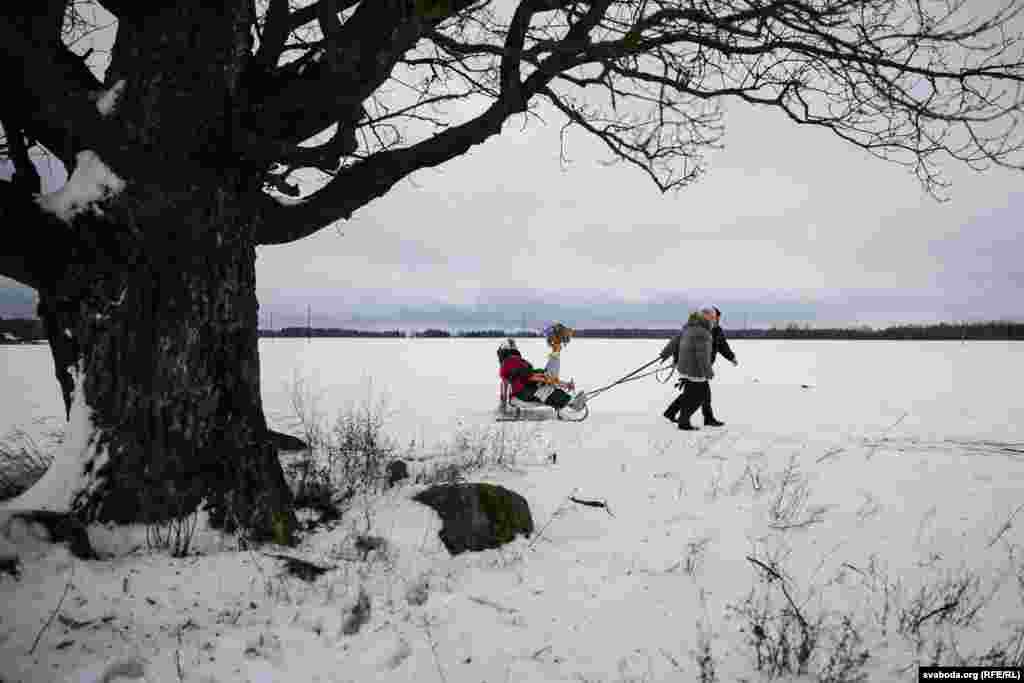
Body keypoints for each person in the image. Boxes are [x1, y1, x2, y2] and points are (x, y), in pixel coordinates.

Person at [660, 306, 738, 427]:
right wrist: (707, 371)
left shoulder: (696, 327)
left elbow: (723, 346)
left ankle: (673, 413)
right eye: (714, 317)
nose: (716, 320)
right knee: (700, 395)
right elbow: (699, 353)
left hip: (693, 367)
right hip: (698, 368)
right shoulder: (702, 331)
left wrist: (731, 357)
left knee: (693, 393)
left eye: (717, 318)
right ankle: (687, 420)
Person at [498, 339, 574, 410]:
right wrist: (545, 378)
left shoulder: (507, 363)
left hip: (522, 392)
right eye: (513, 345)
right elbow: (528, 375)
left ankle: (566, 400)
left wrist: (543, 376)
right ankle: (570, 403)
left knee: (547, 388)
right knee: (546, 391)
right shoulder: (512, 360)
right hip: (524, 392)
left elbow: (526, 374)